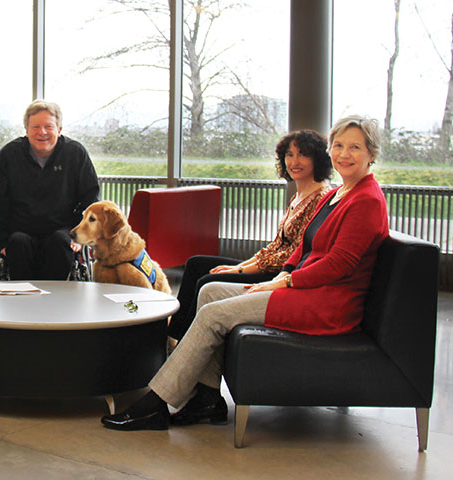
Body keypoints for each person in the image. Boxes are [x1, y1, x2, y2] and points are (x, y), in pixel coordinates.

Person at [101, 115, 389, 431]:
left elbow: (339, 265)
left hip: (326, 303)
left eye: (355, 148)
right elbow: (302, 249)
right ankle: (207, 398)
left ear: (371, 154)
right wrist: (281, 277)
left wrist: (285, 281)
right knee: (209, 291)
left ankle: (155, 403)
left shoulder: (366, 200)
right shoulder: (339, 195)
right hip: (304, 289)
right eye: (339, 145)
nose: (344, 154)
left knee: (213, 315)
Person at [169, 130, 332, 341]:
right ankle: (173, 337)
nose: (294, 161)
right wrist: (242, 265)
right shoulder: (299, 195)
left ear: (317, 159)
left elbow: (293, 254)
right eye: (289, 155)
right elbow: (276, 245)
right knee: (196, 263)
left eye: (303, 154)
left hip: (279, 275)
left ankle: (188, 341)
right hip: (270, 265)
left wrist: (240, 269)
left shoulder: (320, 198)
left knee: (208, 280)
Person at [0, 100, 100, 280]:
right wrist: (0, 241)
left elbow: (91, 200)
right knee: (17, 243)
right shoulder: (9, 155)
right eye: (35, 127)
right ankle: (22, 302)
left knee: (60, 243)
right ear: (26, 130)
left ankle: (55, 303)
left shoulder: (75, 153)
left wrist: (80, 238)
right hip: (20, 230)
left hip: (63, 229)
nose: (42, 132)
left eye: (49, 126)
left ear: (59, 130)